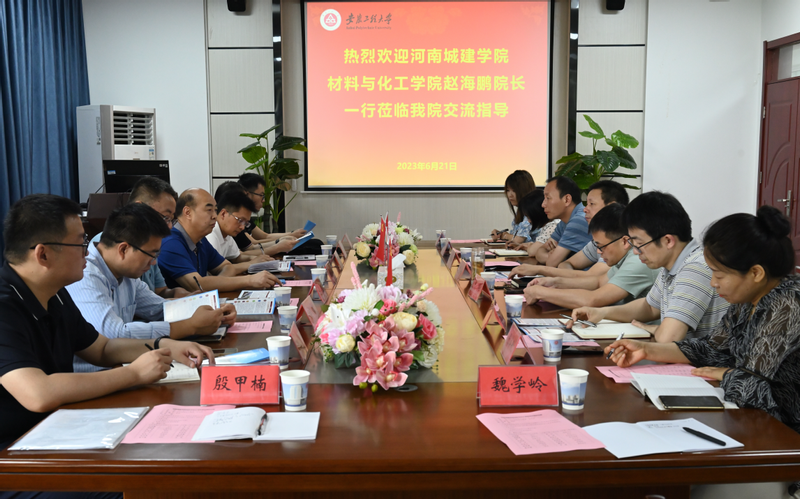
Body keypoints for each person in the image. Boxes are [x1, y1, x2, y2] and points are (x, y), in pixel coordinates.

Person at [604, 206, 800, 497]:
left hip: (785, 441)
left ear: (756, 273)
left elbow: (754, 388)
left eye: (719, 274)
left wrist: (726, 373)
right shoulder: (747, 299)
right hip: (754, 426)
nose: (712, 283)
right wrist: (647, 349)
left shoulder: (787, 304)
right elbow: (711, 350)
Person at [0, 194, 213, 453]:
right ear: (43, 254)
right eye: (81, 243)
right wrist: (133, 374)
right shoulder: (6, 306)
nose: (88, 250)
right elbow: (38, 393)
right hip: (15, 451)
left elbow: (101, 348)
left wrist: (163, 345)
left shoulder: (55, 295)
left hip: (55, 428)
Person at [68, 204, 237, 372]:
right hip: (97, 377)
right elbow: (113, 335)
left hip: (123, 368)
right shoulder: (86, 275)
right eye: (152, 254)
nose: (154, 262)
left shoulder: (127, 274)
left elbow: (159, 309)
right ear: (124, 249)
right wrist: (189, 326)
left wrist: (213, 309)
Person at [569, 191, 730, 342]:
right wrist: (602, 312)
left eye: (639, 244)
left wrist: (655, 329)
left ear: (668, 241)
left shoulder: (694, 269)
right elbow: (649, 307)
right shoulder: (672, 265)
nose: (635, 251)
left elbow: (667, 339)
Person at [523, 203, 659, 309]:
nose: (599, 252)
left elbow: (592, 299)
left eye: (602, 246)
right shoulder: (624, 256)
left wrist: (541, 293)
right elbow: (598, 282)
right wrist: (553, 282)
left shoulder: (638, 261)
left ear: (624, 241)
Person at [157, 188, 281, 292]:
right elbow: (198, 285)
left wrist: (216, 283)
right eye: (209, 210)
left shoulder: (200, 240)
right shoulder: (170, 242)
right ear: (188, 212)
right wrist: (249, 280)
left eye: (215, 210)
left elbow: (227, 267)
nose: (214, 216)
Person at [91, 176, 190, 299]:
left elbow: (157, 294)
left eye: (171, 219)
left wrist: (177, 295)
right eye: (165, 217)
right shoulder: (110, 246)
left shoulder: (149, 246)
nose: (169, 226)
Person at [510, 179, 628, 278]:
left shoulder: (616, 241)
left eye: (591, 204)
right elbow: (563, 264)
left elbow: (592, 280)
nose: (585, 209)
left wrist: (540, 269)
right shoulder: (593, 240)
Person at [234, 173, 323, 255]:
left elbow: (264, 236)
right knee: (315, 245)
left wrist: (291, 234)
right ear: (247, 194)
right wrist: (279, 243)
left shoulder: (245, 217)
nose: (263, 200)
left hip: (263, 251)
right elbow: (252, 246)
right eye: (261, 195)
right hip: (261, 252)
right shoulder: (236, 218)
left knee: (316, 244)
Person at [212, 182, 296, 257]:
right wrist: (278, 245)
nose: (242, 227)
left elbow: (238, 257)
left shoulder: (228, 234)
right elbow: (251, 246)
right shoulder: (212, 236)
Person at [535, 176, 592, 267]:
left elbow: (552, 263)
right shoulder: (564, 222)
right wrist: (554, 257)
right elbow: (539, 252)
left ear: (567, 200)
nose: (543, 204)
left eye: (548, 198)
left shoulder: (579, 220)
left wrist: (556, 257)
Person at [490, 170, 537, 244]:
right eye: (508, 190)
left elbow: (518, 240)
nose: (510, 195)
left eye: (514, 190)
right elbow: (515, 236)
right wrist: (501, 234)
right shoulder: (521, 210)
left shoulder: (532, 211)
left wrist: (505, 235)